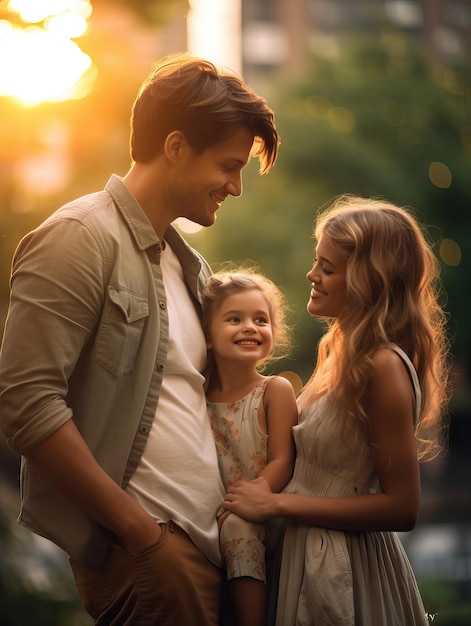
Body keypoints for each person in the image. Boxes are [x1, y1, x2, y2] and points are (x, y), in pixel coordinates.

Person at [0, 53, 280, 626]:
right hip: (152, 556)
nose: (236, 186)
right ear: (175, 146)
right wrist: (140, 535)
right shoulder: (79, 238)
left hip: (217, 555)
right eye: (229, 165)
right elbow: (25, 405)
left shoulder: (192, 269)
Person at [222, 196, 451, 626]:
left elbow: (403, 507)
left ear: (369, 279)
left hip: (345, 570)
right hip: (303, 555)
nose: (312, 275)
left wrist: (276, 505)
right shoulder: (337, 351)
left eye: (327, 268)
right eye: (316, 262)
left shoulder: (382, 366)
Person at [202, 269, 298, 626]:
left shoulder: (275, 390)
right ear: (208, 336)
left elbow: (283, 461)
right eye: (234, 319)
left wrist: (249, 501)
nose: (250, 327)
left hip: (263, 514)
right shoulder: (197, 398)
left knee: (238, 527)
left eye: (261, 319)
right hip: (215, 520)